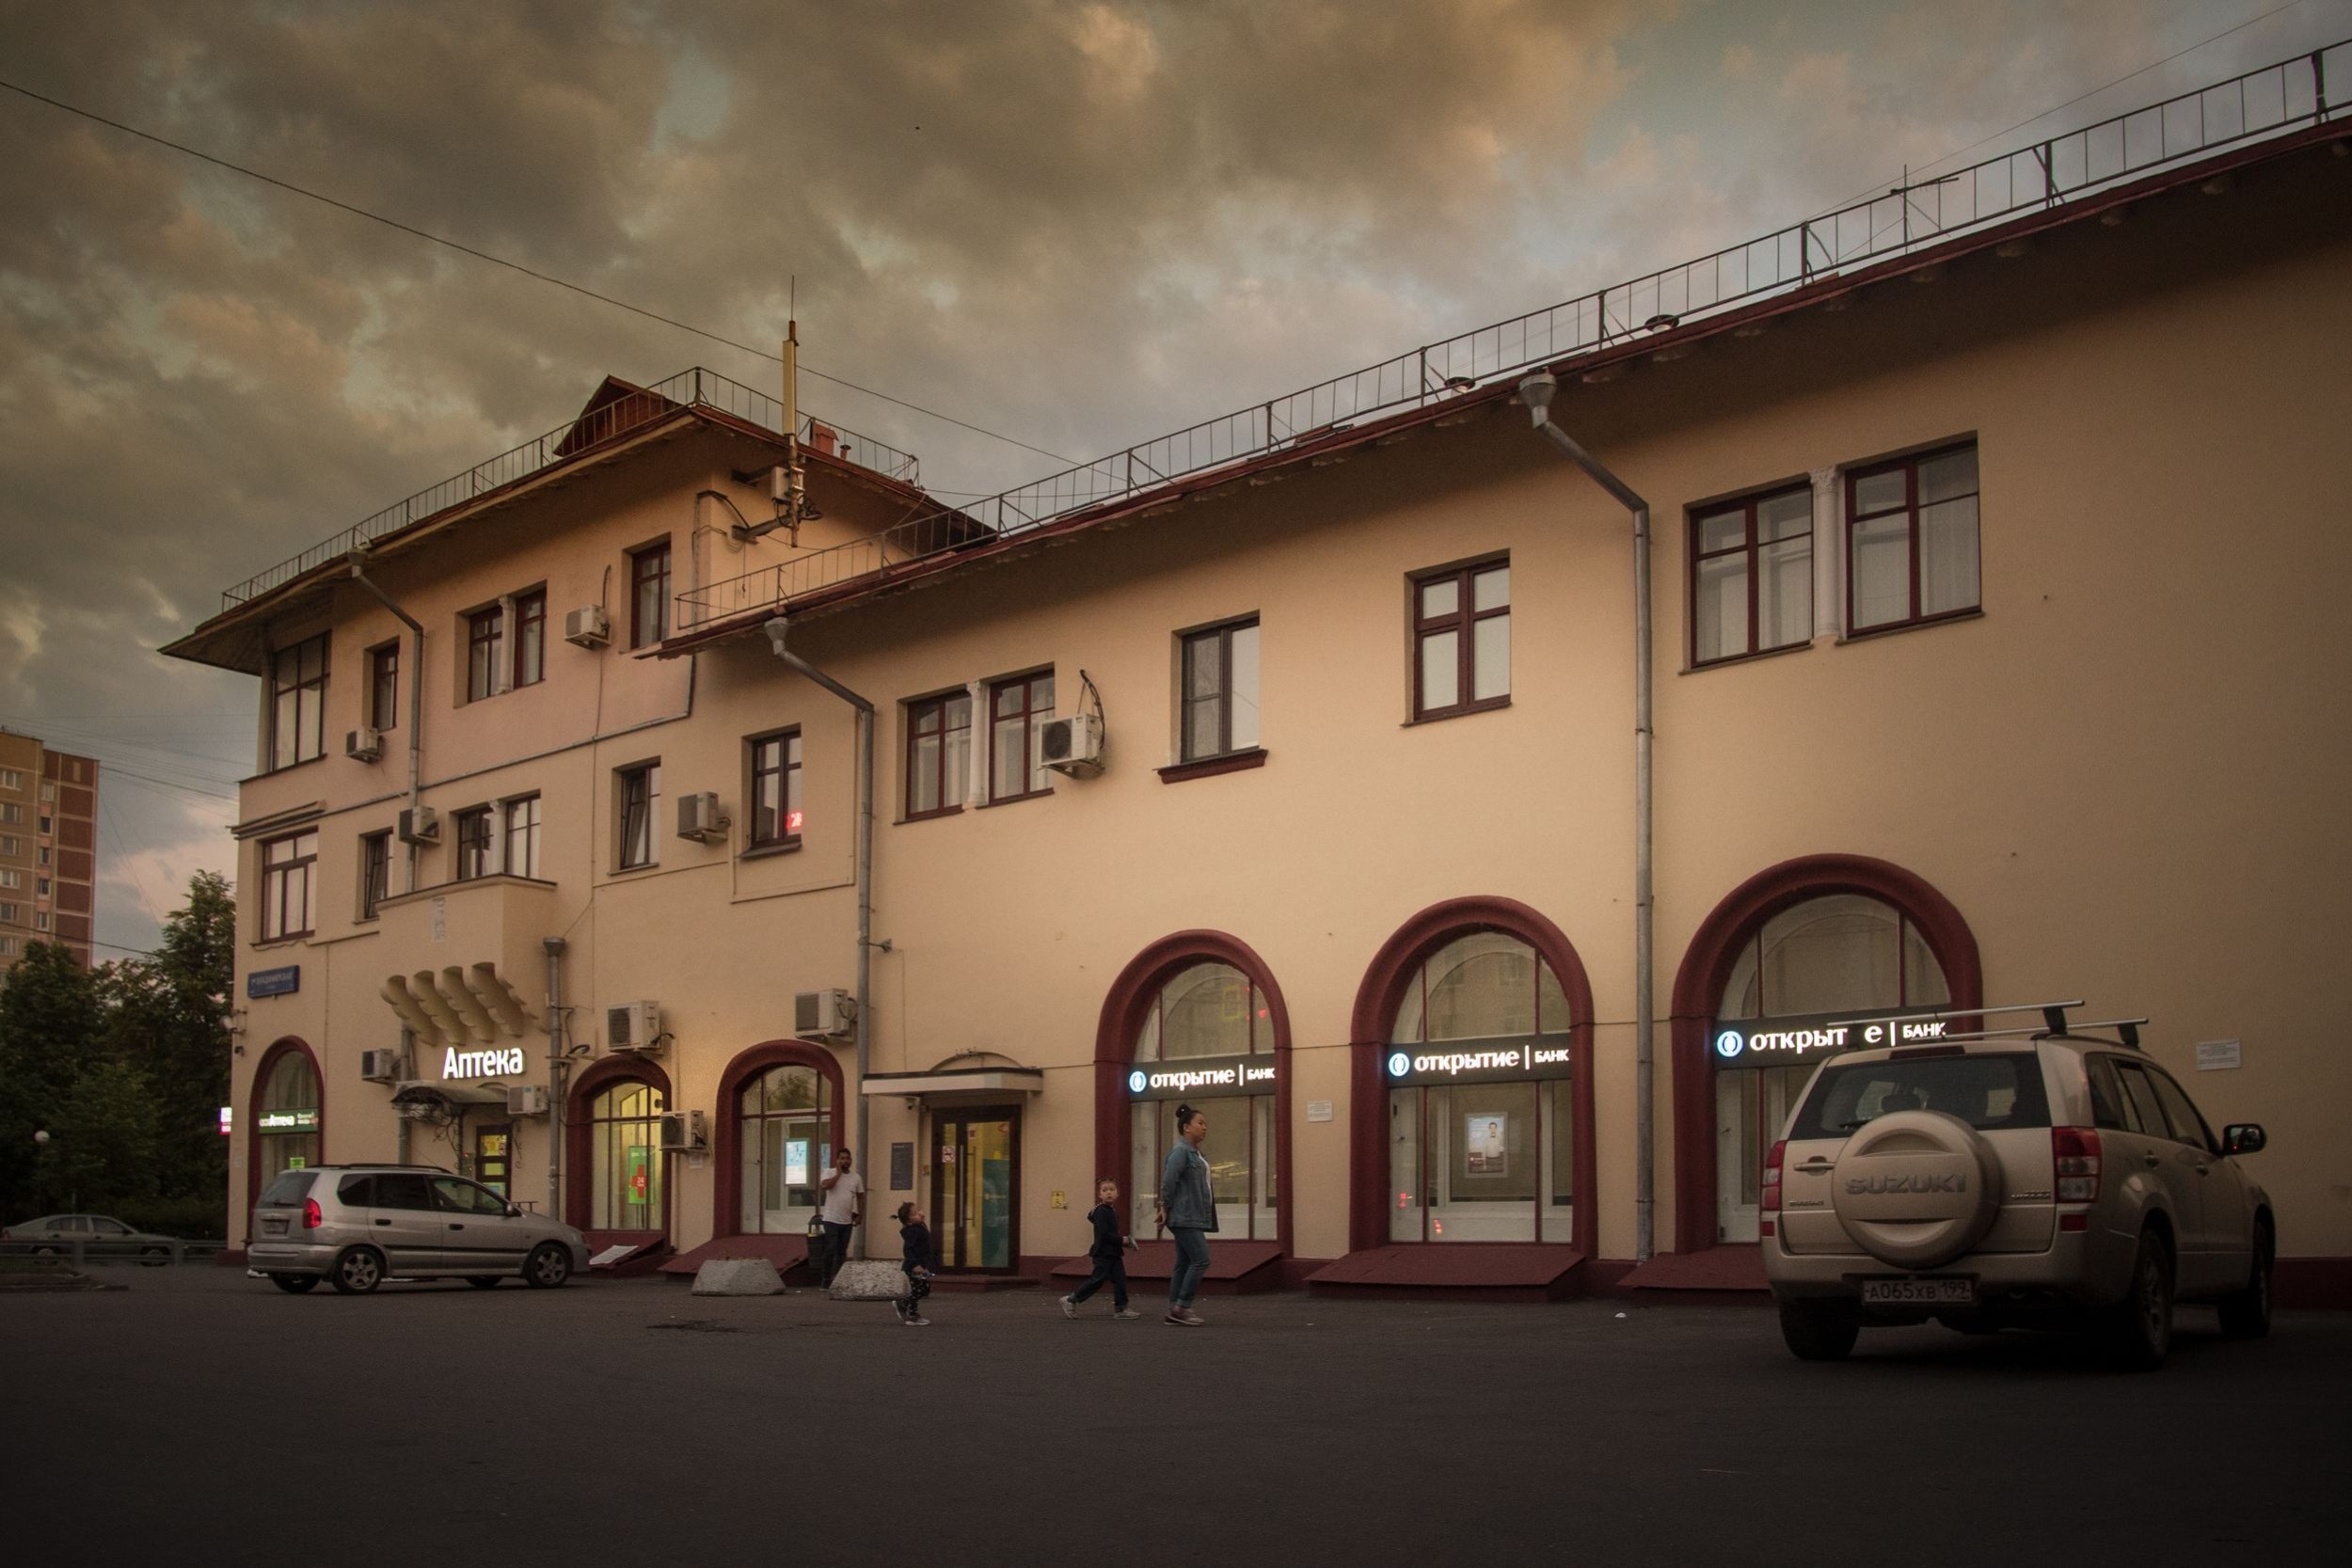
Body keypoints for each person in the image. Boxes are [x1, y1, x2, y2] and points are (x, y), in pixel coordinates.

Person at [1154, 1103, 1216, 1326]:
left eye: (1205, 1123)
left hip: (1190, 1215)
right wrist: (1164, 1206)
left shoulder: (1195, 1153)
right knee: (1201, 1259)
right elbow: (1168, 1180)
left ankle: (1174, 1309)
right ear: (1186, 1127)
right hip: (1184, 1216)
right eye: (1200, 1123)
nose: (1205, 1127)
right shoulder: (1181, 1152)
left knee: (1184, 1262)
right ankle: (1182, 1307)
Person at [1059, 1178, 1140, 1320]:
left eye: (1112, 1190)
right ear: (1099, 1195)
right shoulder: (1101, 1211)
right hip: (1103, 1253)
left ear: (1117, 1193)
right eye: (1105, 1190)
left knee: (1120, 1279)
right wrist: (1123, 1240)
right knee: (1097, 1280)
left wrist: (1123, 1241)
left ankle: (1121, 1309)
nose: (1109, 1192)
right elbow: (1104, 1235)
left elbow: (1110, 1233)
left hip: (1114, 1253)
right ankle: (1071, 1299)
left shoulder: (1112, 1211)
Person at [817, 1146, 863, 1286]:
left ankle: (839, 1280)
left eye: (847, 1158)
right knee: (831, 1248)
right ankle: (826, 1279)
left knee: (842, 1251)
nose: (845, 1161)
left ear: (851, 1160)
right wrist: (838, 1173)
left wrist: (860, 1214)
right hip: (831, 1219)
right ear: (837, 1160)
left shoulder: (856, 1177)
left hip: (846, 1220)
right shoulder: (829, 1172)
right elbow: (825, 1186)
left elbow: (860, 1196)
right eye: (842, 1158)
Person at [894, 1200, 935, 1326]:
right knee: (918, 1290)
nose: (920, 1214)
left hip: (922, 1265)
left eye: (919, 1210)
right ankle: (911, 1313)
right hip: (914, 1266)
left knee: (924, 1289)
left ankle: (904, 1305)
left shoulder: (919, 1227)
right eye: (915, 1214)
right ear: (908, 1221)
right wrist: (916, 1264)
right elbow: (908, 1249)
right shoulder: (912, 1231)